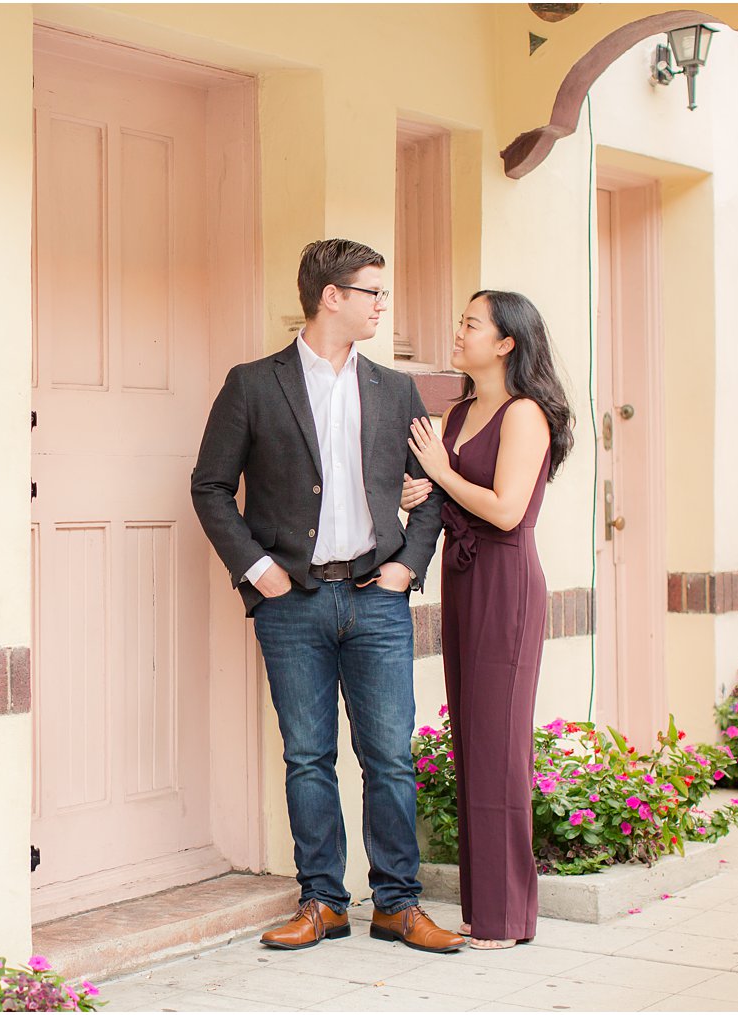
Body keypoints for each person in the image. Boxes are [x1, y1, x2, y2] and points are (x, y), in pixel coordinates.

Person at [191, 239, 463, 954]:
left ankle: (399, 903)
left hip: (377, 599)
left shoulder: (395, 388)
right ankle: (323, 901)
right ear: (331, 297)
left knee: (390, 758)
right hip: (292, 603)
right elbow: (210, 486)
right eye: (371, 292)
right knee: (308, 755)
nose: (383, 304)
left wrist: (408, 563)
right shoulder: (253, 384)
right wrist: (257, 569)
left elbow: (427, 489)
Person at [403, 290, 574, 950]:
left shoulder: (524, 413)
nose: (458, 331)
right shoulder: (461, 408)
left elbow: (504, 509)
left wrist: (442, 472)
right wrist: (420, 486)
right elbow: (442, 491)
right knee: (474, 739)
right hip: (463, 578)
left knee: (501, 746)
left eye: (471, 324)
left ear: (505, 342)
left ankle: (505, 917)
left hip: (506, 581)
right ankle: (483, 909)